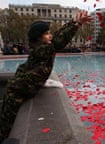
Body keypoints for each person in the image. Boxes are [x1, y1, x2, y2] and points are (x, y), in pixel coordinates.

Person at [0, 10, 92, 142]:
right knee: (6, 127)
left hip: (19, 87)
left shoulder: (41, 45)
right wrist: (76, 25)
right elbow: (59, 42)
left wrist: (74, 22)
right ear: (39, 37)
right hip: (17, 92)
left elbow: (56, 37)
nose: (50, 35)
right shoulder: (42, 49)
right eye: (47, 33)